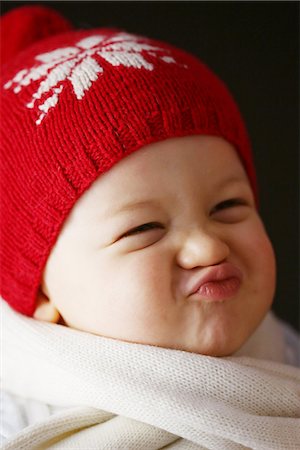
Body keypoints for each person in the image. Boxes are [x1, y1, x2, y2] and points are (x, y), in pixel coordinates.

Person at [1, 5, 299, 449]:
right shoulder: (16, 414)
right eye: (145, 229)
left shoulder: (289, 359)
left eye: (228, 206)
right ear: (42, 291)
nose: (206, 248)